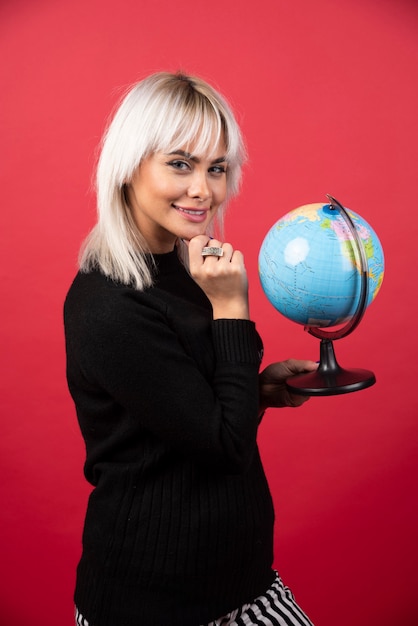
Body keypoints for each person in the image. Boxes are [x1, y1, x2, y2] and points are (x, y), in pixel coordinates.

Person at [64, 71, 318, 626]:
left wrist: (257, 392)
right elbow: (223, 447)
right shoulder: (110, 304)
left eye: (217, 167)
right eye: (180, 164)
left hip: (241, 584)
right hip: (152, 605)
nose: (204, 189)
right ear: (130, 165)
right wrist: (232, 309)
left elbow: (187, 417)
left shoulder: (176, 268)